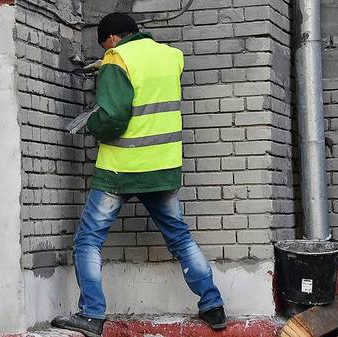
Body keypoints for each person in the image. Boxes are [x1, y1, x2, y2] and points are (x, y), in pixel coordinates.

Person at [51, 12, 226, 337]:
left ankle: (91, 315)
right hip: (161, 168)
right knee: (181, 239)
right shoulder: (169, 57)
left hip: (121, 168)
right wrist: (109, 71)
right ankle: (213, 305)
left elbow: (114, 116)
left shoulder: (117, 58)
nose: (106, 53)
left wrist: (91, 123)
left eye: (105, 47)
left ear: (113, 39)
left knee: (88, 241)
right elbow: (146, 91)